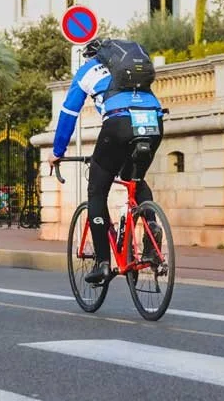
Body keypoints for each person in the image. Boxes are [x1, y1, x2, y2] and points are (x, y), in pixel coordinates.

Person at [50, 34, 166, 286]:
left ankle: (102, 262)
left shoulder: (88, 70)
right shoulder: (132, 70)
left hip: (119, 124)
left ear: (92, 54)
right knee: (135, 178)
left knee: (97, 190)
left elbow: (69, 112)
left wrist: (57, 151)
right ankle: (151, 230)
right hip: (153, 121)